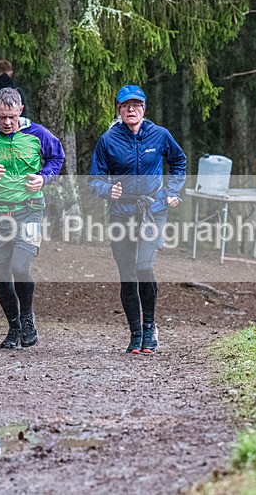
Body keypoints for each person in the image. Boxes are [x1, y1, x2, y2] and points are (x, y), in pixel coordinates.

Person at [0, 87, 64, 349]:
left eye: (12, 117)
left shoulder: (37, 134)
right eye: (2, 117)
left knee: (20, 266)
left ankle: (27, 318)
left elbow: (57, 156)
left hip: (29, 209)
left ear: (20, 111)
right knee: (2, 275)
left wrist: (44, 177)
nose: (7, 122)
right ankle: (14, 328)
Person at [89, 85, 186, 354]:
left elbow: (179, 161)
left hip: (152, 211)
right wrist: (108, 190)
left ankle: (149, 328)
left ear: (144, 108)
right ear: (118, 109)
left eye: (137, 105)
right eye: (126, 105)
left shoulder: (160, 135)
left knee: (144, 267)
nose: (131, 109)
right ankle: (134, 333)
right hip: (121, 213)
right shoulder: (108, 140)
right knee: (128, 276)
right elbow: (94, 179)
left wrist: (172, 191)